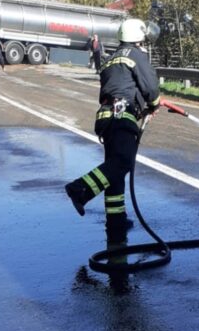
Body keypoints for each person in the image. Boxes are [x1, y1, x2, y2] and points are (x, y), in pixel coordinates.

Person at [64, 18, 160, 245]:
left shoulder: (110, 59)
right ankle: (80, 189)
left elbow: (120, 86)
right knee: (123, 163)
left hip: (107, 118)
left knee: (114, 171)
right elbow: (150, 86)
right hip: (121, 116)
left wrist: (142, 107)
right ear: (138, 38)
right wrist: (154, 103)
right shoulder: (134, 55)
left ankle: (116, 220)